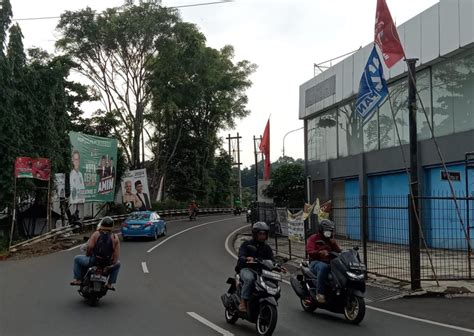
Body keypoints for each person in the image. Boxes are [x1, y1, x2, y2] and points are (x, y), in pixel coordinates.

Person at [70, 217, 121, 289]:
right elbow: (116, 255)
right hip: (107, 263)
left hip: (94, 261)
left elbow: (90, 246)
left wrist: (87, 254)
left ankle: (78, 280)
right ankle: (109, 284)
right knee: (118, 264)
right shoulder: (115, 237)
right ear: (112, 226)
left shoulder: (96, 234)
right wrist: (112, 263)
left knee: (77, 259)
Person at [235, 222, 274, 313]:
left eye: (264, 234)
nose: (262, 236)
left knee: (272, 281)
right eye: (260, 233)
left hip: (261, 271)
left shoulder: (267, 247)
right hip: (247, 269)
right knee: (250, 279)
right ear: (255, 234)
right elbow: (241, 255)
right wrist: (246, 258)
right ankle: (243, 302)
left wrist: (278, 265)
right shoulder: (247, 244)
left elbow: (271, 259)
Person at [306, 219, 341, 304]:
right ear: (321, 230)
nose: (329, 233)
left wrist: (334, 243)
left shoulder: (330, 240)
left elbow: (338, 252)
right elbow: (309, 251)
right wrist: (319, 252)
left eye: (330, 231)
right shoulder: (313, 238)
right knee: (323, 267)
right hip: (315, 262)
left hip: (330, 262)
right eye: (327, 230)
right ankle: (320, 293)